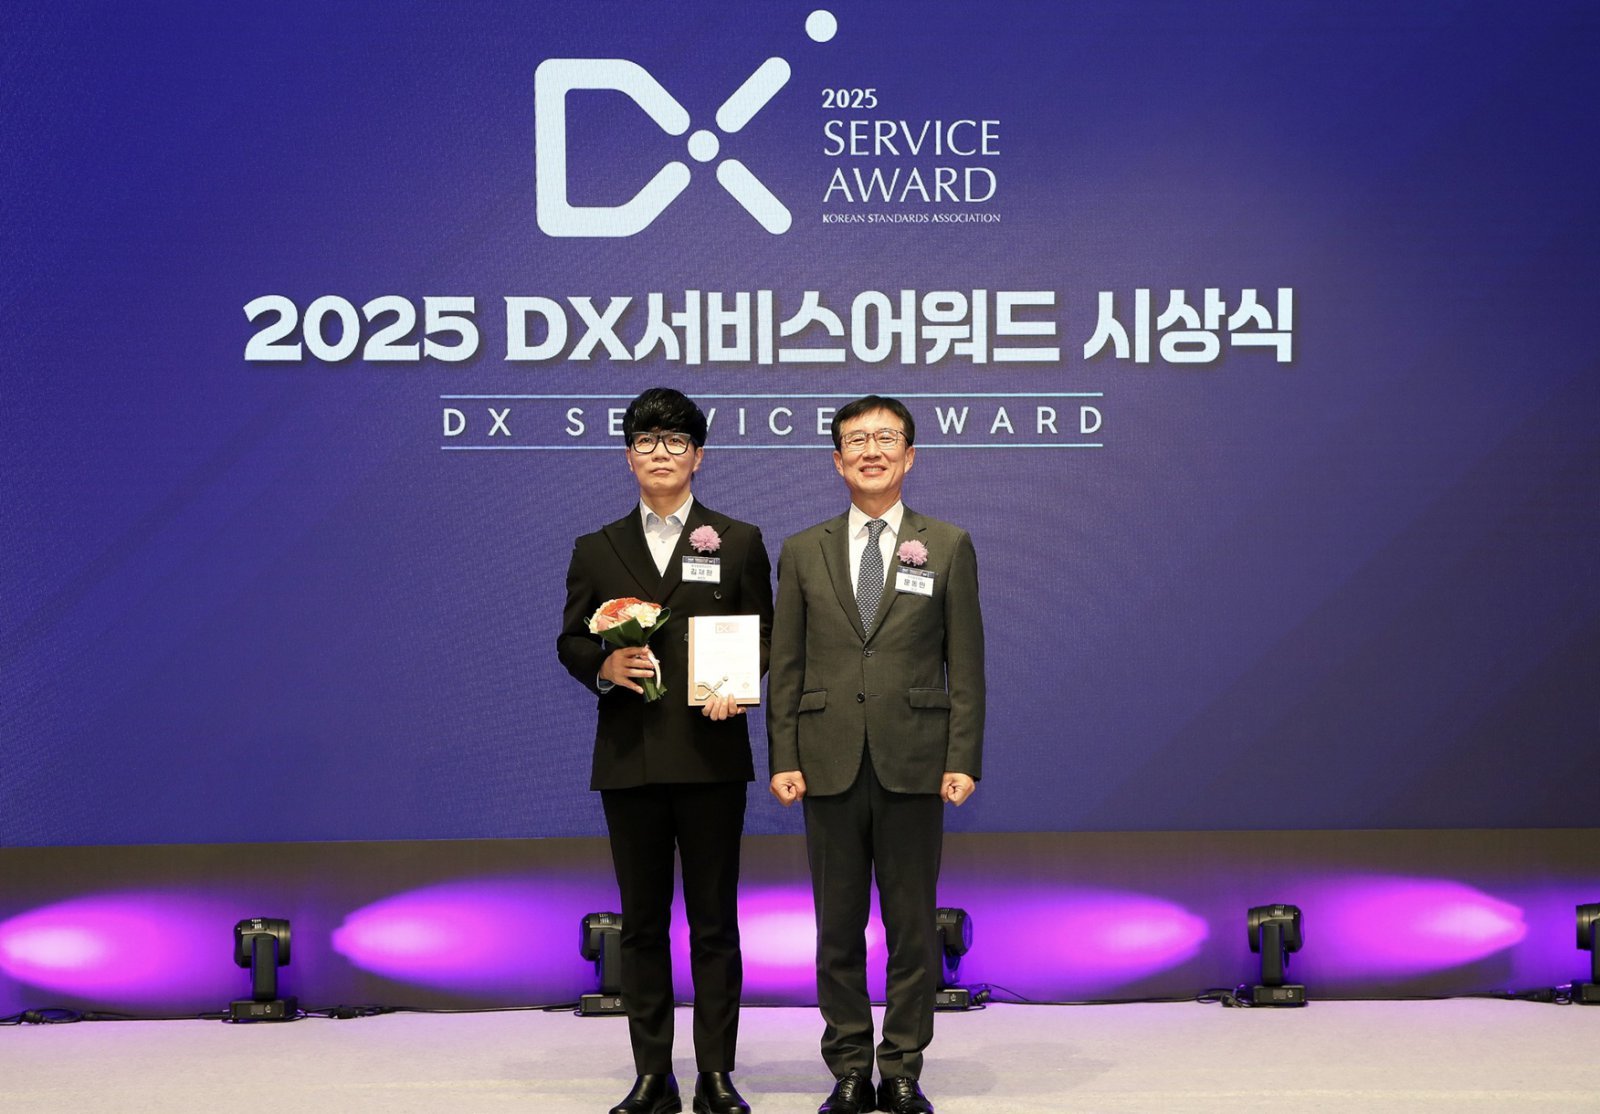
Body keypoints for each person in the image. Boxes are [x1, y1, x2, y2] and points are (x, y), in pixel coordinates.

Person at [766, 395, 985, 1114]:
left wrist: (962, 757)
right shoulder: (803, 549)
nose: (871, 451)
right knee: (836, 929)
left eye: (886, 438)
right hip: (826, 760)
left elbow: (966, 664)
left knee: (912, 926)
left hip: (915, 760)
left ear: (909, 455)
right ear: (837, 460)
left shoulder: (947, 544)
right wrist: (783, 755)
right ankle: (849, 1068)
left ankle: (903, 1068)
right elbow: (786, 665)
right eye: (857, 440)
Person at [559, 387, 773, 1114]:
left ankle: (716, 1075)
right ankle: (653, 1076)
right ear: (628, 457)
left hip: (712, 755)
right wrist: (603, 664)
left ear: (698, 456)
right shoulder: (596, 547)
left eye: (675, 441)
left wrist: (741, 684)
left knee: (715, 925)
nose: (661, 453)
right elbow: (570, 638)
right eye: (646, 441)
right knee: (642, 926)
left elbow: (766, 633)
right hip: (630, 758)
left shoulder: (736, 540)